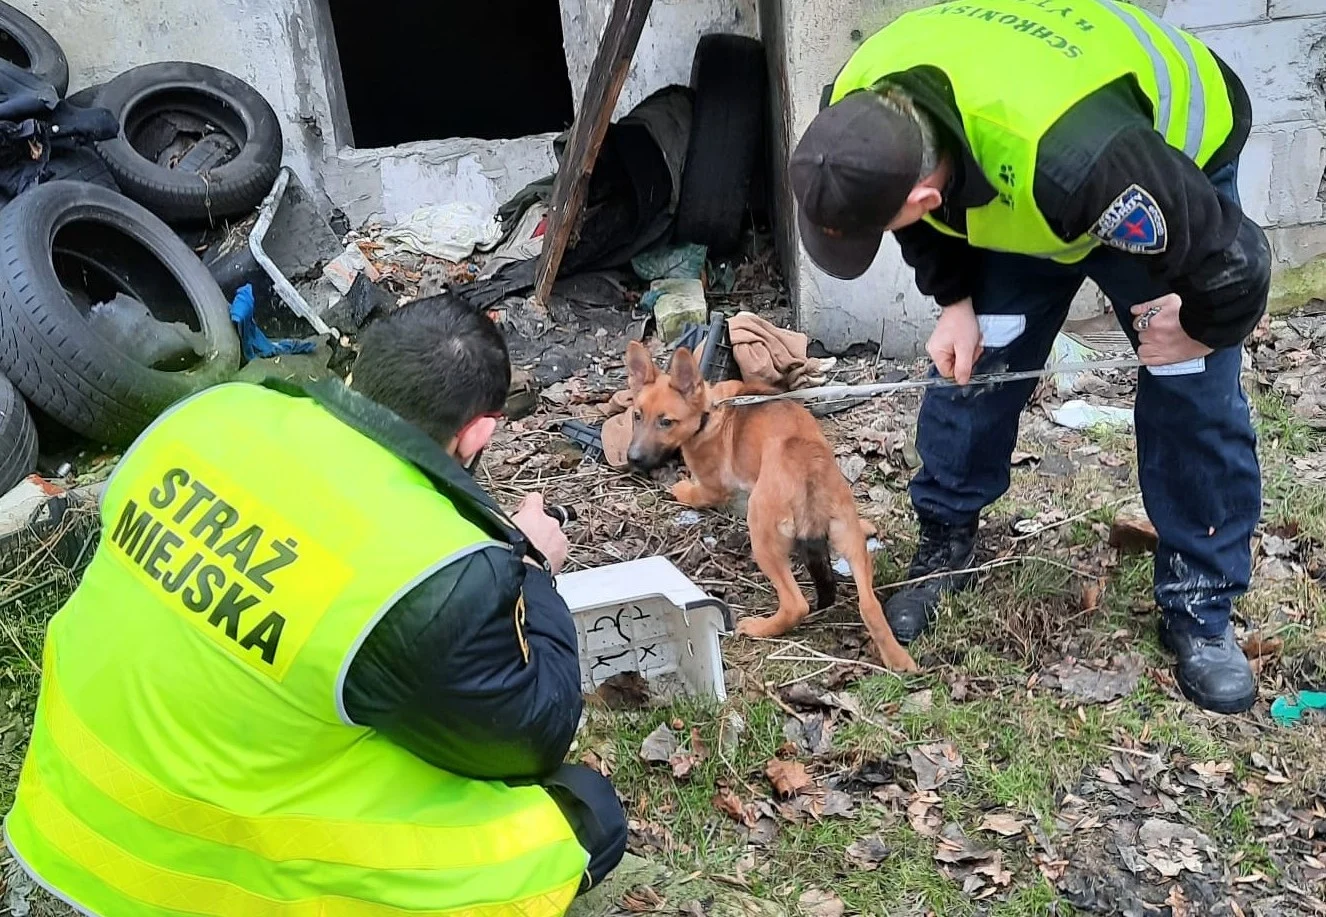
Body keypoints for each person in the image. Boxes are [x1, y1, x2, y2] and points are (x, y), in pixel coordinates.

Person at [4, 296, 626, 913]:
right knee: (580, 816)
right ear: (477, 434)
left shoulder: (209, 412)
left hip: (59, 817)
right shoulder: (433, 564)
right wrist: (535, 569)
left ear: (357, 374)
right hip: (175, 883)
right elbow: (530, 739)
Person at [790, 0, 1269, 714]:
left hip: (1156, 164)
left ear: (923, 192)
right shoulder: (856, 112)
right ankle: (947, 543)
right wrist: (953, 301)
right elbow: (916, 223)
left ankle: (1201, 601)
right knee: (977, 359)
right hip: (1026, 187)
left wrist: (1202, 324)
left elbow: (1238, 264)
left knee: (1189, 381)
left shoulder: (1096, 166)